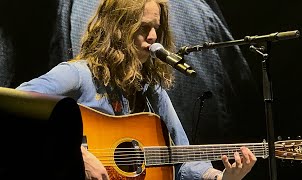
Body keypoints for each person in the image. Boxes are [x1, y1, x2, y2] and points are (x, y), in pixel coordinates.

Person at [16, 0, 257, 179]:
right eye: (144, 28)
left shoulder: (152, 91)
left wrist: (222, 177)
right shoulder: (78, 74)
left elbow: (182, 158)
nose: (153, 37)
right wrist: (76, 153)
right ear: (117, 28)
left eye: (157, 29)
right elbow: (16, 105)